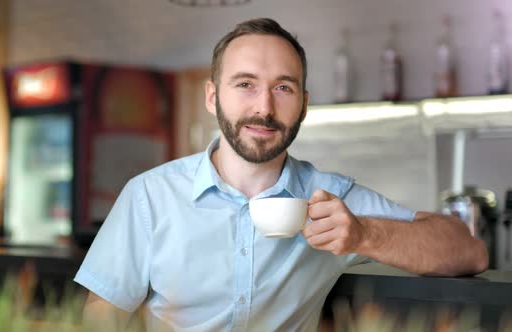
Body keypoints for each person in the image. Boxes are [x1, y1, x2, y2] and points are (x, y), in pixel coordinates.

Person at [74, 18, 488, 331]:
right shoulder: (150, 196)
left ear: (304, 105)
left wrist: (363, 234)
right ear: (213, 97)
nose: (265, 108)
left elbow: (468, 251)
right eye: (245, 85)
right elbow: (98, 321)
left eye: (283, 88)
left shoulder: (332, 200)